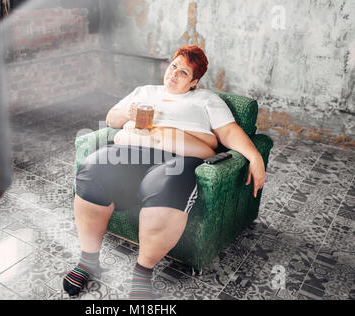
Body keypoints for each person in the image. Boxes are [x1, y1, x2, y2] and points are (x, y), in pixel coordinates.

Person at [63, 45, 266, 299]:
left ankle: (142, 271)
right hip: (133, 151)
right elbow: (112, 119)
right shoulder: (145, 92)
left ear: (194, 82)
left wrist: (255, 157)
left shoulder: (206, 100)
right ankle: (88, 260)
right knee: (93, 169)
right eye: (173, 67)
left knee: (166, 185)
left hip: (177, 158)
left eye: (183, 72)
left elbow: (228, 132)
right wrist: (127, 112)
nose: (173, 75)